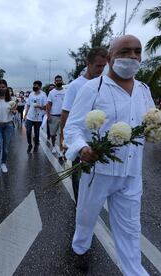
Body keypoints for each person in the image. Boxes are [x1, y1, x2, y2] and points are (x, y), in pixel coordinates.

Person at [64, 35, 161, 274]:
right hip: (97, 171)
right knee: (85, 219)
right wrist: (82, 148)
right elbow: (73, 127)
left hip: (130, 174)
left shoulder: (143, 90)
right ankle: (80, 250)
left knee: (131, 230)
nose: (132, 56)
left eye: (137, 51)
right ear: (110, 57)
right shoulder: (93, 87)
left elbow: (151, 132)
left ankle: (135, 271)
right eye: (125, 51)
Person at [60, 47, 108, 204]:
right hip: (81, 142)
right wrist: (64, 139)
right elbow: (66, 113)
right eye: (98, 66)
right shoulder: (76, 85)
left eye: (103, 66)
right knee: (80, 182)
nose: (101, 70)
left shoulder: (105, 84)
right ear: (88, 63)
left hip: (100, 143)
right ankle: (79, 211)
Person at [0, 79, 16, 178]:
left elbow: (14, 111)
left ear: (6, 88)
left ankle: (3, 163)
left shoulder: (12, 100)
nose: (1, 89)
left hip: (8, 126)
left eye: (3, 87)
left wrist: (14, 111)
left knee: (5, 149)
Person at [24, 80, 47, 153]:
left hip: (38, 118)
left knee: (37, 133)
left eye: (36, 86)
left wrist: (39, 106)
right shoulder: (31, 94)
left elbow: (46, 107)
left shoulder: (43, 95)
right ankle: (30, 144)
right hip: (30, 117)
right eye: (34, 85)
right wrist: (25, 115)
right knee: (28, 131)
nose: (34, 87)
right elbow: (28, 105)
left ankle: (36, 145)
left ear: (40, 87)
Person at [46, 75, 66, 157]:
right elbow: (49, 105)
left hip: (63, 116)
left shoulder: (66, 91)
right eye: (57, 81)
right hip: (54, 116)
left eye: (60, 80)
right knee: (53, 134)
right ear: (55, 82)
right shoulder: (52, 92)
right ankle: (54, 145)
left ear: (62, 81)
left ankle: (61, 151)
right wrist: (48, 116)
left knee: (62, 134)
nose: (58, 82)